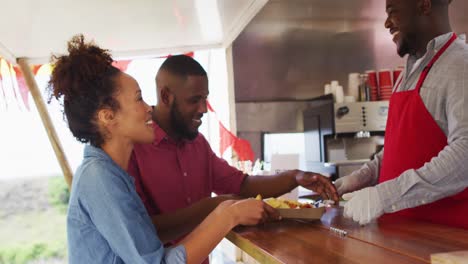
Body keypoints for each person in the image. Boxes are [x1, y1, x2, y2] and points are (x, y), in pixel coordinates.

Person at [48, 35, 276, 264]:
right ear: (108, 117)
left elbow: (147, 243)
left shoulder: (113, 174)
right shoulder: (99, 178)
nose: (149, 108)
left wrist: (224, 210)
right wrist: (228, 214)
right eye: (138, 99)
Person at [128, 55, 339, 245]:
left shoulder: (198, 144)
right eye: (194, 100)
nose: (203, 109)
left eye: (205, 98)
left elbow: (242, 185)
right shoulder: (132, 148)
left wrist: (295, 176)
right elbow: (143, 230)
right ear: (166, 97)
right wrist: (219, 207)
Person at [336, 0, 468, 228]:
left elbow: (464, 153)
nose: (387, 23)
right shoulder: (408, 72)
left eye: (392, 12)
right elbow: (402, 148)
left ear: (424, 5)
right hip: (399, 235)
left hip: (444, 239)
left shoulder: (461, 65)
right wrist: (363, 177)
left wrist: (384, 195)